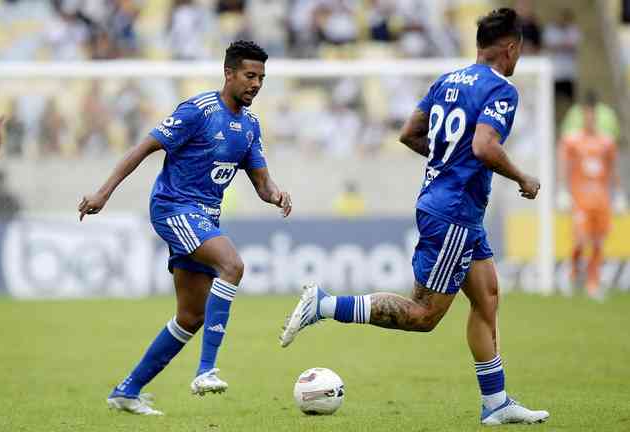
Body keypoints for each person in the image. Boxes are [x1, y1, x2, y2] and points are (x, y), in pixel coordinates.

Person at [280, 8, 549, 426]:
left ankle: (496, 402)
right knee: (423, 314)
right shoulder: (502, 89)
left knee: (487, 296)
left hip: (455, 207)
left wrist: (443, 160)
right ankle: (325, 304)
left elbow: (408, 132)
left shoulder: (447, 81)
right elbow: (483, 147)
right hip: (455, 210)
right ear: (511, 49)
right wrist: (522, 176)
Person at [79, 40, 292, 415]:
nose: (256, 84)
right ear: (229, 74)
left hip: (204, 218)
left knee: (190, 317)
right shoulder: (198, 111)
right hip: (173, 207)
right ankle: (207, 369)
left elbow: (262, 183)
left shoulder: (251, 126)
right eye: (250, 75)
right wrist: (102, 192)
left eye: (261, 77)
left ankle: (126, 391)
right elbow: (142, 149)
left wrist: (277, 195)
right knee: (233, 265)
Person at [559, 100, 619, 300]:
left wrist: (618, 195)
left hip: (601, 200)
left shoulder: (607, 142)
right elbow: (565, 166)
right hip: (580, 199)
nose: (590, 119)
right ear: (583, 117)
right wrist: (563, 191)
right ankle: (571, 274)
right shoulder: (573, 141)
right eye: (587, 116)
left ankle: (593, 283)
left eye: (593, 116)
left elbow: (613, 169)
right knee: (581, 241)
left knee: (598, 243)